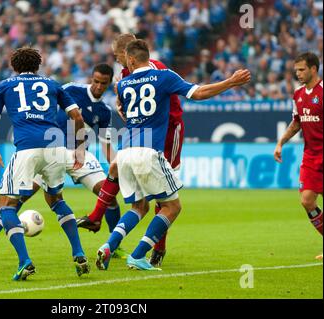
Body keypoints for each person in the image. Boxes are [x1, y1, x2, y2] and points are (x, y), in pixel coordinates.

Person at [96, 39, 251, 271]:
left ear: (130, 60)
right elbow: (197, 93)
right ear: (148, 57)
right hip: (148, 152)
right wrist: (230, 82)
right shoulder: (164, 76)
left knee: (138, 207)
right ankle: (138, 255)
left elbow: (126, 113)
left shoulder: (123, 84)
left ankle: (109, 245)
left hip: (125, 152)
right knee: (172, 207)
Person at [0, 64, 128, 260]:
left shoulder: (105, 111)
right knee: (21, 197)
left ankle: (113, 245)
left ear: (109, 84)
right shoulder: (71, 89)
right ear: (91, 78)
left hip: (77, 154)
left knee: (107, 195)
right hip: (51, 149)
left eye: (103, 83)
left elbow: (107, 145)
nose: (98, 86)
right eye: (96, 81)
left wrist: (116, 169)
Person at [77, 33, 185, 267]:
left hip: (169, 130)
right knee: (124, 173)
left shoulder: (156, 69)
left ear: (128, 54)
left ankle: (158, 246)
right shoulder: (125, 77)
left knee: (161, 194)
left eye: (118, 56)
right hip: (142, 134)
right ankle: (102, 223)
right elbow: (127, 108)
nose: (117, 61)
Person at [0, 47, 90, 280]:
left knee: (7, 208)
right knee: (56, 200)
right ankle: (79, 252)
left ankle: (25, 261)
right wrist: (79, 149)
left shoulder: (4, 86)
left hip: (26, 149)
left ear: (14, 66)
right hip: (56, 147)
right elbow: (78, 118)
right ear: (38, 65)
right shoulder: (54, 85)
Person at [274, 52, 323, 260]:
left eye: (302, 70)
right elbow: (297, 123)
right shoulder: (298, 94)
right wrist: (280, 143)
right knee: (307, 200)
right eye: (296, 71)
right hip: (311, 156)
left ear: (313, 69)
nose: (298, 74)